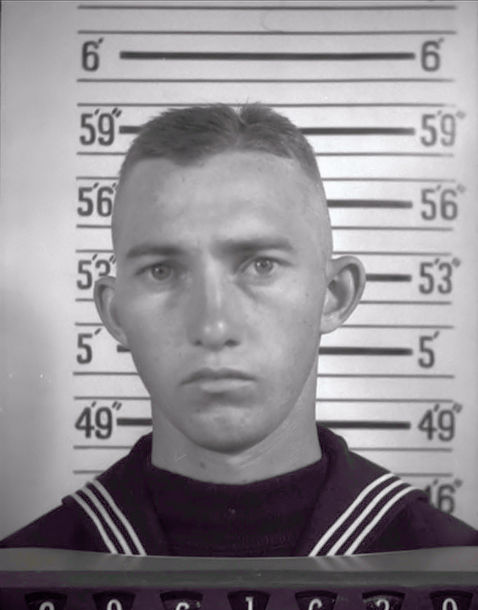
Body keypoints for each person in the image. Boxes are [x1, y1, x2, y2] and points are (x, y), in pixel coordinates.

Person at [2, 104, 477, 556]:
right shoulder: (17, 580)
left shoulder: (460, 570)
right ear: (116, 312)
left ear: (334, 294)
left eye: (261, 265)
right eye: (162, 271)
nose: (214, 327)